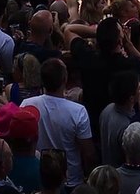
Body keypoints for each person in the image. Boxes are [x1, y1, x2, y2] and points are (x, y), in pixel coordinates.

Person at [21, 59, 94, 188]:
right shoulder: (78, 111)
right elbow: (88, 152)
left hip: (40, 177)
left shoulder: (27, 104)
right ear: (65, 79)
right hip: (70, 181)